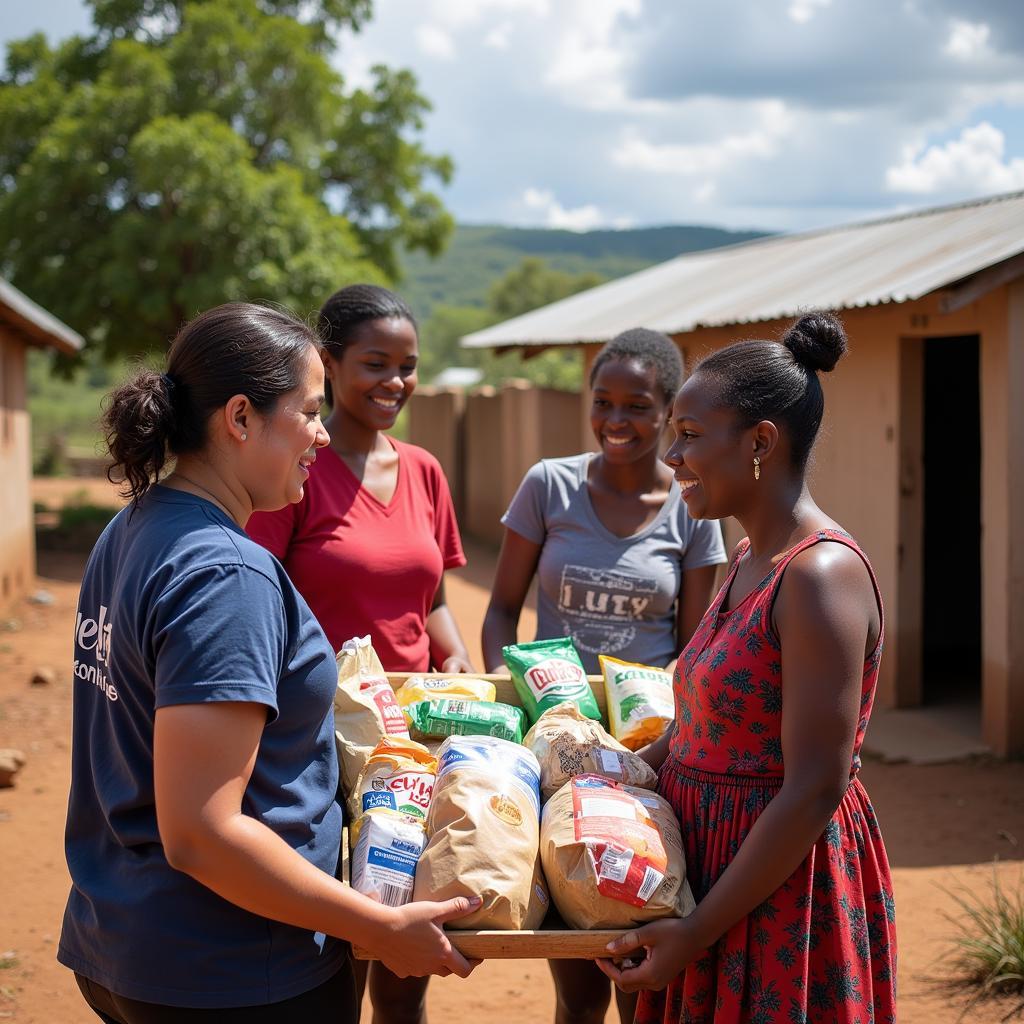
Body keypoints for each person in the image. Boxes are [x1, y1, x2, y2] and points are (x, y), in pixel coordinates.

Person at [58, 303, 480, 1024]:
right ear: (241, 418)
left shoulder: (135, 528)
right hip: (232, 970)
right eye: (309, 411)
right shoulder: (226, 573)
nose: (322, 434)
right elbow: (201, 831)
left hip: (130, 941)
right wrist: (376, 928)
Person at [597, 313, 897, 1024]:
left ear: (761, 442)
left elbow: (816, 786)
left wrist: (698, 930)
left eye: (692, 436)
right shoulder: (746, 560)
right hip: (707, 873)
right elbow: (705, 719)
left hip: (775, 894)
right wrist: (616, 777)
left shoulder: (820, 575)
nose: (672, 456)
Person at [482, 328, 727, 1024]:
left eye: (638, 406)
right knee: (579, 972)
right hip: (560, 749)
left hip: (646, 756)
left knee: (640, 968)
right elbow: (501, 611)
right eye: (604, 402)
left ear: (668, 409)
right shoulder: (549, 486)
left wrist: (654, 739)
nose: (617, 421)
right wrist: (529, 698)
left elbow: (697, 644)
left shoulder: (693, 506)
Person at [246, 285, 473, 1024]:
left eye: (408, 366)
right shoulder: (295, 474)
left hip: (408, 745)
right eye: (376, 363)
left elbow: (432, 596)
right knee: (334, 947)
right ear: (331, 364)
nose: (395, 383)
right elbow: (262, 598)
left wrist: (458, 660)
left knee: (407, 954)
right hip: (317, 741)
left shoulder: (425, 471)